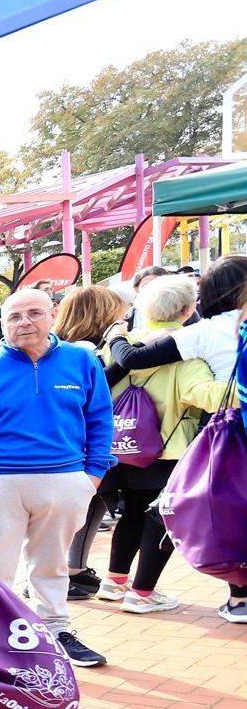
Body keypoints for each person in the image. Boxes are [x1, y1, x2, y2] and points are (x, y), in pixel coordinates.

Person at [0, 288, 115, 668]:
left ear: (52, 315)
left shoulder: (81, 361)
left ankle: (55, 628)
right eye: (15, 317)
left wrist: (93, 475)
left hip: (65, 479)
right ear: (2, 324)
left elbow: (100, 418)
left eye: (34, 314)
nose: (25, 323)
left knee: (51, 562)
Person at [109, 255, 247, 621]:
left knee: (177, 510)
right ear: (186, 307)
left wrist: (118, 337)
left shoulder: (201, 334)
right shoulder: (198, 334)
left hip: (218, 438)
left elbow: (129, 362)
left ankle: (239, 595)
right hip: (180, 441)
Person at [50, 285, 133, 599]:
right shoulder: (83, 350)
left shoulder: (63, 348)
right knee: (88, 503)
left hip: (70, 442)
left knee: (83, 507)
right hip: (81, 442)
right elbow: (96, 390)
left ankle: (71, 568)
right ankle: (71, 570)